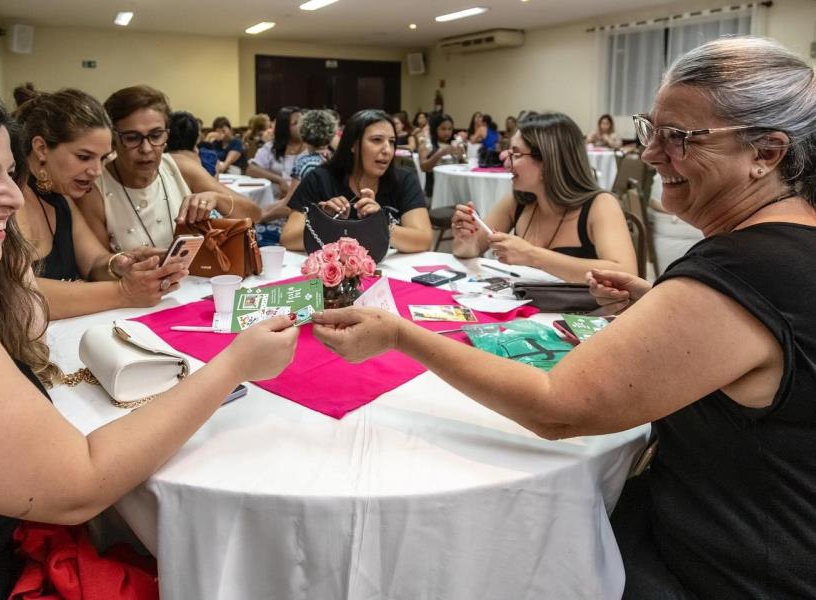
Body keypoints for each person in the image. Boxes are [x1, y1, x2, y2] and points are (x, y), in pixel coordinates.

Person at [312, 37, 816, 599]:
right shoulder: (788, 250)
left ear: (766, 154)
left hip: (728, 570)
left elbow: (556, 406)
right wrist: (664, 307)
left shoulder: (744, 269)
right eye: (651, 132)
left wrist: (402, 334)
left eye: (678, 138)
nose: (650, 156)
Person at [0, 74, 299, 599]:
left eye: (10, 172)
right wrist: (233, 366)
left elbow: (43, 294)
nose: (11, 194)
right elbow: (80, 486)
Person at [15, 88, 188, 318]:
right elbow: (20, 292)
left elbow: (94, 261)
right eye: (84, 157)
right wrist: (124, 292)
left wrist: (123, 263)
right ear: (41, 148)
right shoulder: (10, 201)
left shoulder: (62, 197)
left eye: (103, 158)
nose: (97, 171)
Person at [452, 111, 637, 282]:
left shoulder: (600, 205)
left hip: (581, 315)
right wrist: (466, 241)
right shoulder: (518, 200)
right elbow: (472, 250)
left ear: (548, 160)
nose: (506, 162)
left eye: (515, 153)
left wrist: (532, 255)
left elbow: (625, 275)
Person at [76, 85, 225, 252]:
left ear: (167, 134)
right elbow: (97, 266)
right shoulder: (95, 191)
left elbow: (254, 213)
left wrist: (217, 198)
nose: (146, 149)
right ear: (113, 140)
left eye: (155, 135)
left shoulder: (179, 167)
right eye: (132, 138)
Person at [280, 109, 432, 254]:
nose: (387, 150)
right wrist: (325, 222)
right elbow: (288, 239)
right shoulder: (320, 179)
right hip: (329, 274)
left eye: (391, 142)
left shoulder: (403, 181)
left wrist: (379, 225)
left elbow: (423, 240)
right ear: (352, 145)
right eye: (377, 140)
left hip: (387, 272)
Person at [256, 109, 337, 245]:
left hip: (301, 228)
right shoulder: (332, 158)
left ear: (303, 132)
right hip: (327, 225)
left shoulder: (305, 163)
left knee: (254, 232)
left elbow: (289, 205)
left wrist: (261, 216)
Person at [165, 110, 261, 221]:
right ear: (197, 136)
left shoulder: (174, 161)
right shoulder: (206, 156)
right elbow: (253, 213)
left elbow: (254, 212)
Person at [246, 106, 303, 197]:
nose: (301, 126)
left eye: (302, 122)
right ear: (284, 127)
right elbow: (251, 170)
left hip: (299, 200)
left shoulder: (310, 147)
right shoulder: (271, 147)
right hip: (274, 198)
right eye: (296, 123)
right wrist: (279, 180)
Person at [418, 112, 465, 197]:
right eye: (443, 129)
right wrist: (440, 153)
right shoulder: (427, 143)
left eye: (450, 129)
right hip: (434, 191)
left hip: (454, 189)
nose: (447, 132)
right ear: (435, 129)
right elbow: (423, 167)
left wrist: (462, 155)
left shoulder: (455, 143)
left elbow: (464, 165)